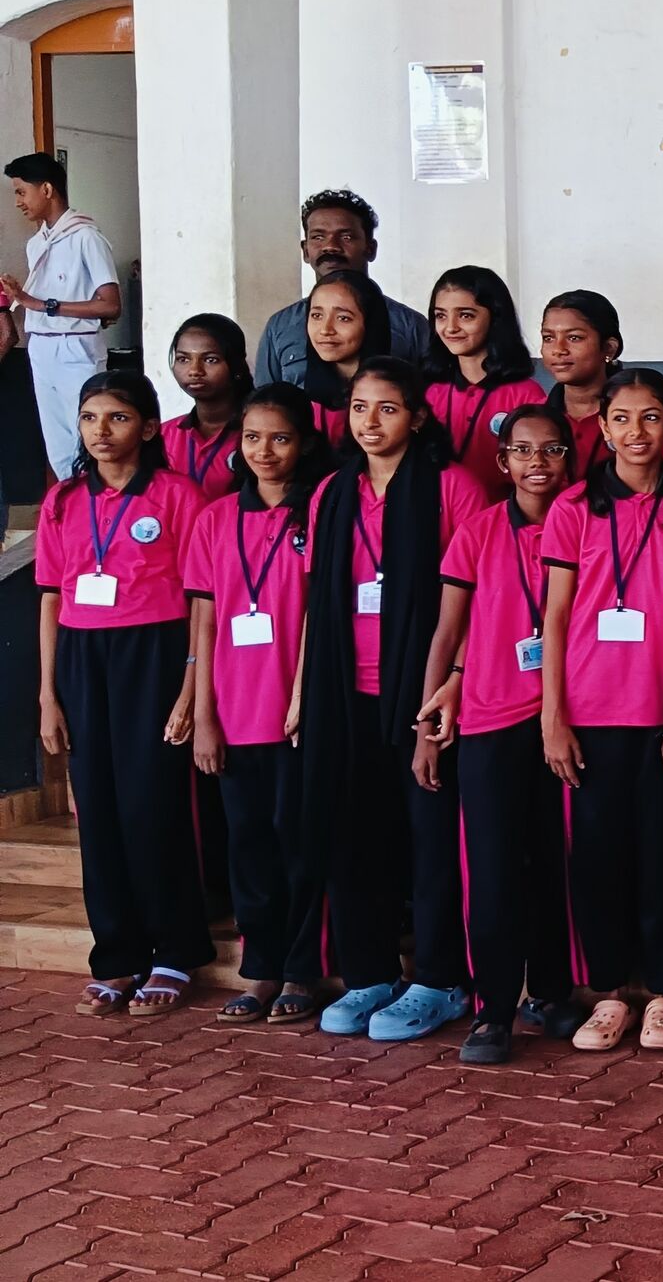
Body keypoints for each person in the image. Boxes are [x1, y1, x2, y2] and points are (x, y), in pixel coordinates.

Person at [297, 358, 487, 1043]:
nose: (370, 422)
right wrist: (303, 694)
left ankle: (439, 980)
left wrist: (452, 684)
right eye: (359, 408)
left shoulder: (453, 487)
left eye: (387, 408)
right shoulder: (331, 492)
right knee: (354, 836)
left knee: (431, 840)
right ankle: (370, 974)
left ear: (418, 416)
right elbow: (318, 602)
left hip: (421, 691)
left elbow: (480, 599)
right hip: (346, 690)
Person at [33, 371, 210, 1017]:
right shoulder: (62, 501)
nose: (101, 432)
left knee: (151, 803)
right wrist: (48, 695)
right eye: (89, 418)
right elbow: (50, 599)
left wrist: (189, 686)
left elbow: (201, 598)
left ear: (149, 426)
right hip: (84, 658)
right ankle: (117, 953)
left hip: (154, 652)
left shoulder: (176, 495)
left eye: (117, 417)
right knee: (98, 810)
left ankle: (174, 950)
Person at [538, 368, 663, 1055]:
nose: (637, 432)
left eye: (652, 417)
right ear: (602, 429)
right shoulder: (574, 508)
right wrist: (553, 716)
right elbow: (554, 616)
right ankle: (609, 992)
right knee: (599, 858)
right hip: (591, 711)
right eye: (623, 419)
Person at [414, 405, 583, 1065]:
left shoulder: (585, 524)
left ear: (570, 457)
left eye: (551, 450)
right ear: (503, 462)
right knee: (491, 871)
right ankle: (493, 1009)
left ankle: (552, 992)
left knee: (555, 864)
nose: (538, 463)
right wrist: (430, 720)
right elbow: (449, 630)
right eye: (523, 451)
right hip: (489, 720)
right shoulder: (480, 531)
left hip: (564, 719)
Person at [185, 386, 331, 1025]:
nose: (264, 451)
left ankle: (302, 969)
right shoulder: (215, 520)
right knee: (249, 847)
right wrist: (203, 716)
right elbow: (205, 623)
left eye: (279, 438)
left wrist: (305, 696)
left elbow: (324, 615)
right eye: (251, 438)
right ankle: (262, 969)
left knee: (301, 843)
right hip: (234, 713)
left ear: (304, 443)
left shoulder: (321, 512)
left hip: (299, 715)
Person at [4, 153, 121, 479]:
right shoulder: (36, 243)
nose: (18, 202)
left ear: (46, 189)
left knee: (88, 436)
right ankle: (71, 505)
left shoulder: (87, 237)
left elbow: (111, 306)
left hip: (76, 347)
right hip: (41, 346)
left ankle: (97, 501)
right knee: (57, 444)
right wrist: (22, 299)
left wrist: (43, 304)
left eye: (21, 192)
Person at [252, 190, 430, 385]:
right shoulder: (281, 325)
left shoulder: (409, 325)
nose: (331, 246)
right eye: (318, 237)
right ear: (305, 251)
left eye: (346, 237)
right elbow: (265, 398)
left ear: (370, 249)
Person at [423, 266, 547, 500]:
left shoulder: (526, 395)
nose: (450, 327)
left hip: (503, 515)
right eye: (440, 316)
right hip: (440, 515)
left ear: (495, 317)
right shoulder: (429, 393)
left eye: (466, 315)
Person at [164, 316, 253, 499]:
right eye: (183, 359)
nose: (194, 370)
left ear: (236, 364)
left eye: (210, 360)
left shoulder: (258, 432)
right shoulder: (163, 435)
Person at [302, 271, 395, 447]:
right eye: (316, 316)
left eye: (343, 318)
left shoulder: (397, 395)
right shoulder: (304, 403)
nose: (326, 329)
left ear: (370, 323)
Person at [539, 290, 625, 473]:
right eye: (548, 338)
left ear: (609, 348)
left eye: (574, 338)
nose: (558, 349)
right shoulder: (534, 418)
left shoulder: (639, 418)